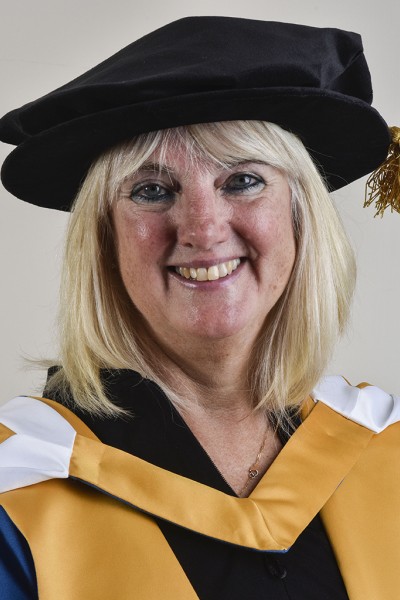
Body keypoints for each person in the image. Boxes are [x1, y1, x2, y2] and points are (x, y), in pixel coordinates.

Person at [0, 16, 399, 600]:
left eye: (242, 181)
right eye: (152, 191)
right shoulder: (26, 489)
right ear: (105, 237)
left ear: (299, 217)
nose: (203, 230)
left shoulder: (381, 451)